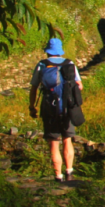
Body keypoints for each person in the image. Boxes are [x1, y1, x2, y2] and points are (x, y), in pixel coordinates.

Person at [29, 38, 83, 182]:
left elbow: (34, 88)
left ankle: (58, 175)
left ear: (47, 51)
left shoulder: (42, 65)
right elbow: (79, 86)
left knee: (53, 142)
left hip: (49, 107)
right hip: (67, 107)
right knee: (67, 140)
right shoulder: (69, 64)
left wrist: (32, 107)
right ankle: (69, 172)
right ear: (60, 51)